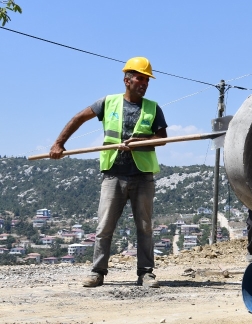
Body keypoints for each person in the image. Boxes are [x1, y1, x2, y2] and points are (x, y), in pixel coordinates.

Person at [49, 57, 168, 288]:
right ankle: (97, 272)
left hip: (143, 176)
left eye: (147, 80)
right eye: (139, 78)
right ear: (127, 80)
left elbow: (162, 139)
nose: (144, 83)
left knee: (145, 226)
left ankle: (146, 273)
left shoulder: (154, 108)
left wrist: (139, 141)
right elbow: (78, 118)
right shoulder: (108, 102)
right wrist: (59, 143)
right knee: (104, 226)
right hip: (114, 174)